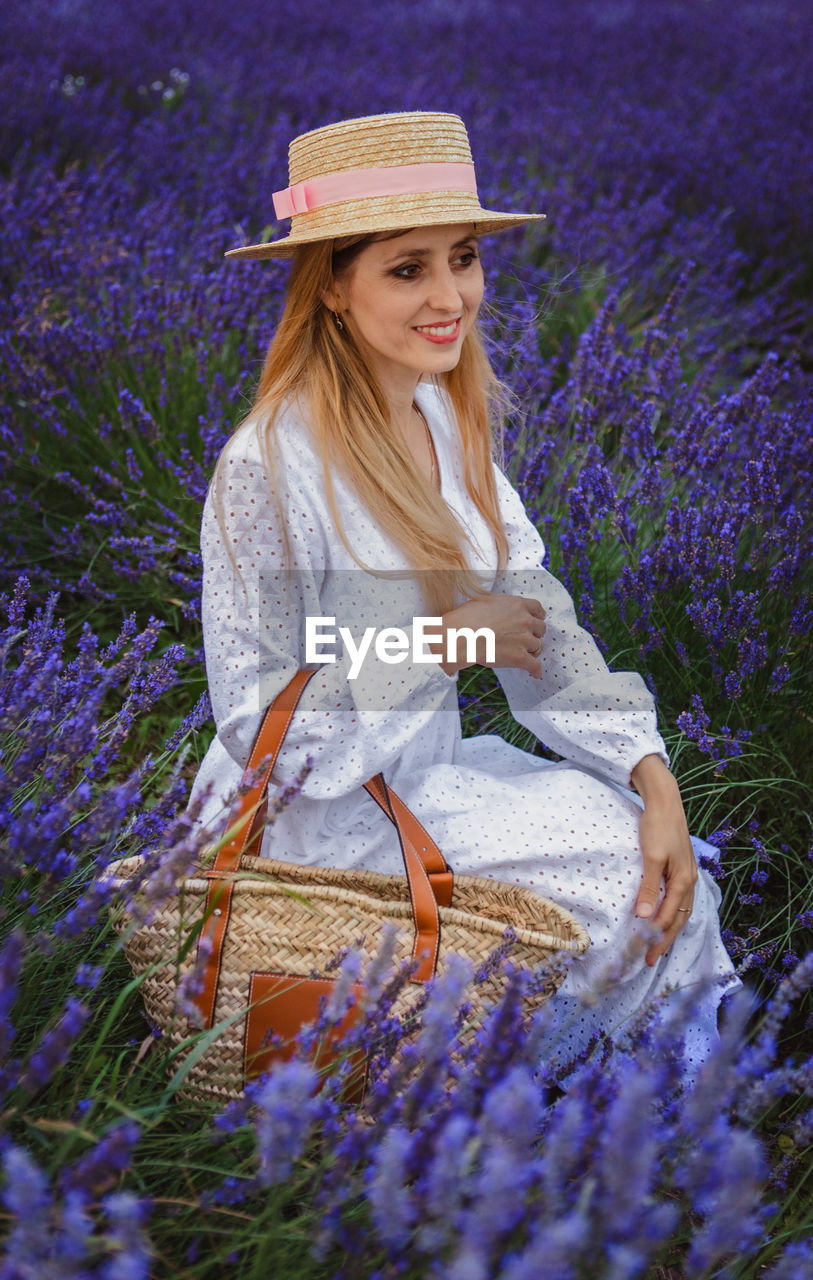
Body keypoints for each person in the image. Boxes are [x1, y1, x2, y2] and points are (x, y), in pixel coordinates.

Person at [189, 111, 739, 1073]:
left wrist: (651, 778)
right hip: (318, 821)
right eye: (408, 269)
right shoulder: (271, 465)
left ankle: (649, 1113)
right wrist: (442, 644)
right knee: (624, 889)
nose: (452, 297)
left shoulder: (442, 416)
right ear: (331, 288)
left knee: (656, 858)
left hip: (418, 779)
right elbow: (257, 715)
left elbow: (536, 620)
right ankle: (605, 1117)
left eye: (465, 258)